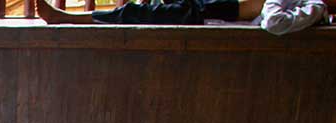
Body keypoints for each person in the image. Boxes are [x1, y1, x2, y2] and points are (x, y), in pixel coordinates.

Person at [35, 0, 264, 24]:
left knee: (139, 13)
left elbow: (249, 8)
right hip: (220, 6)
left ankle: (66, 18)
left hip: (213, 12)